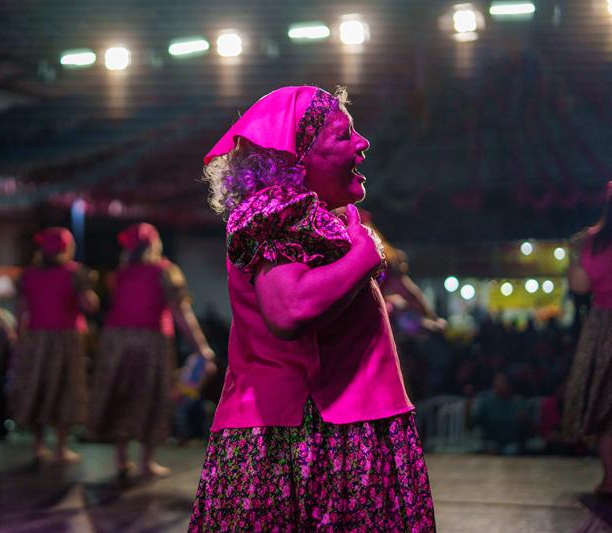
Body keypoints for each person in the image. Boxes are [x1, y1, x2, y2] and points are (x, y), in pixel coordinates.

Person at [189, 86, 435, 530]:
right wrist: (365, 256)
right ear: (296, 161)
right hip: (305, 430)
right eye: (344, 135)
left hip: (335, 420)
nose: (362, 142)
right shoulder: (279, 212)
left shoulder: (321, 218)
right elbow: (289, 310)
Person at [88, 223, 215, 479]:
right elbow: (181, 312)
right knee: (151, 395)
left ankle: (121, 459)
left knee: (122, 394)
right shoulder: (165, 271)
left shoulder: (121, 273)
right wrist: (201, 348)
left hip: (116, 340)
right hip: (150, 340)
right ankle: (146, 461)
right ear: (154, 244)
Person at [563, 178, 612, 499]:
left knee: (610, 407)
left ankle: (611, 481)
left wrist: (575, 255)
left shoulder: (589, 242)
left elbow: (580, 287)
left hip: (607, 327)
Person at [10, 227, 99, 462]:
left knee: (37, 387)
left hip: (36, 338)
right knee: (66, 388)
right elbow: (89, 305)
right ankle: (60, 447)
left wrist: (19, 338)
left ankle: (38, 445)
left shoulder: (29, 275)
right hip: (66, 339)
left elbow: (20, 310)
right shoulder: (74, 273)